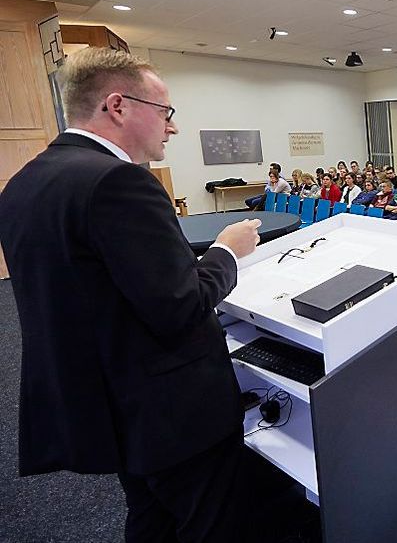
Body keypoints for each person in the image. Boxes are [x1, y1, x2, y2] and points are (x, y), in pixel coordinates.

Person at [0, 47, 270, 542]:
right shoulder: (120, 182)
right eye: (166, 113)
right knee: (211, 522)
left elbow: (93, 289)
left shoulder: (25, 181)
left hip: (106, 403)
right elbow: (181, 307)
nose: (173, 128)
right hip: (170, 411)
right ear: (118, 106)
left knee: (150, 516)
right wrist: (227, 252)